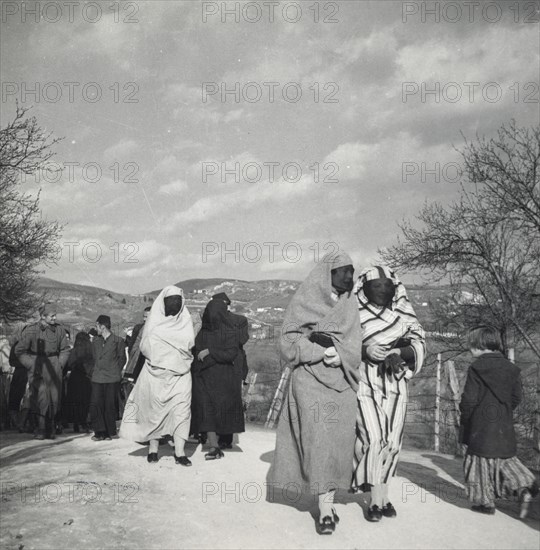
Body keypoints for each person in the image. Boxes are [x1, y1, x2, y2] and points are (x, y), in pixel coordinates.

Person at [268, 250, 363, 535]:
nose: (350, 275)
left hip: (342, 383)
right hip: (309, 381)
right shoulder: (304, 301)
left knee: (339, 443)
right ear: (327, 274)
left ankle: (328, 500)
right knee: (318, 442)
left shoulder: (351, 305)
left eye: (352, 270)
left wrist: (341, 355)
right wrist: (319, 351)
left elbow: (355, 345)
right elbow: (288, 342)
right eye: (343, 270)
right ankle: (325, 509)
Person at [352, 266, 426, 522]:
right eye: (376, 286)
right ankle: (375, 498)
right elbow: (340, 343)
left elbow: (418, 342)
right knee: (374, 438)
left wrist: (399, 353)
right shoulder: (352, 314)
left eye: (387, 286)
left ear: (395, 288)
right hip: (365, 380)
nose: (382, 291)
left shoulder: (403, 315)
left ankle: (383, 492)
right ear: (364, 289)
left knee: (392, 443)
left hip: (395, 381)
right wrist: (365, 350)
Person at [459, 325, 538, 518]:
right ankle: (525, 487)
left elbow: (469, 399)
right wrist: (503, 412)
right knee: (503, 458)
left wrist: (466, 416)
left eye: (471, 345)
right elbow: (516, 397)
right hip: (503, 424)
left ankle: (485, 503)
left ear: (479, 345)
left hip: (480, 425)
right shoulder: (511, 369)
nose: (469, 349)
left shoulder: (476, 369)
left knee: (479, 463)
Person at [119, 286, 195, 466]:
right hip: (155, 375)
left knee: (181, 412)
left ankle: (180, 452)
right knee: (153, 412)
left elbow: (189, 343)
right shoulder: (153, 323)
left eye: (177, 299)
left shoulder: (186, 321)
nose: (174, 304)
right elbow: (145, 347)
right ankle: (153, 449)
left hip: (181, 375)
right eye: (171, 300)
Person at [191, 299, 244, 460]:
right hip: (204, 378)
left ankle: (220, 443)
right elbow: (197, 353)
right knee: (206, 412)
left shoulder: (230, 332)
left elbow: (231, 354)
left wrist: (210, 352)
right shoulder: (203, 332)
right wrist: (209, 355)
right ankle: (214, 446)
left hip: (222, 379)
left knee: (219, 412)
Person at [14, 304, 71, 439]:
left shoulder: (60, 330)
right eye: (52, 315)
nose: (55, 318)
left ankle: (51, 427)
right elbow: (19, 351)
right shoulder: (31, 331)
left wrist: (60, 364)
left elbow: (65, 350)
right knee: (40, 397)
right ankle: (40, 427)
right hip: (37, 364)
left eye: (55, 315)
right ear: (43, 316)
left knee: (54, 398)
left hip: (54, 365)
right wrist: (31, 365)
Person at [210, 292, 250, 449]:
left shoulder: (237, 320)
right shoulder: (239, 320)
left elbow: (242, 340)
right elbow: (242, 339)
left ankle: (220, 437)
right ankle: (223, 438)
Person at [89, 315, 125, 441]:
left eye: (96, 326)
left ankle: (110, 431)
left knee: (110, 405)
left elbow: (122, 359)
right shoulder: (95, 341)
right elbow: (93, 357)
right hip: (98, 377)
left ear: (102, 326)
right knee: (96, 404)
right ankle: (99, 432)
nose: (95, 329)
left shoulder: (118, 341)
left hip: (112, 378)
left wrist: (115, 370)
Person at [63, 331, 93, 433]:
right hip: (87, 379)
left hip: (75, 378)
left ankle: (76, 423)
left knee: (75, 402)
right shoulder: (91, 351)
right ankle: (84, 422)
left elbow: (68, 364)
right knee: (85, 402)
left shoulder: (73, 351)